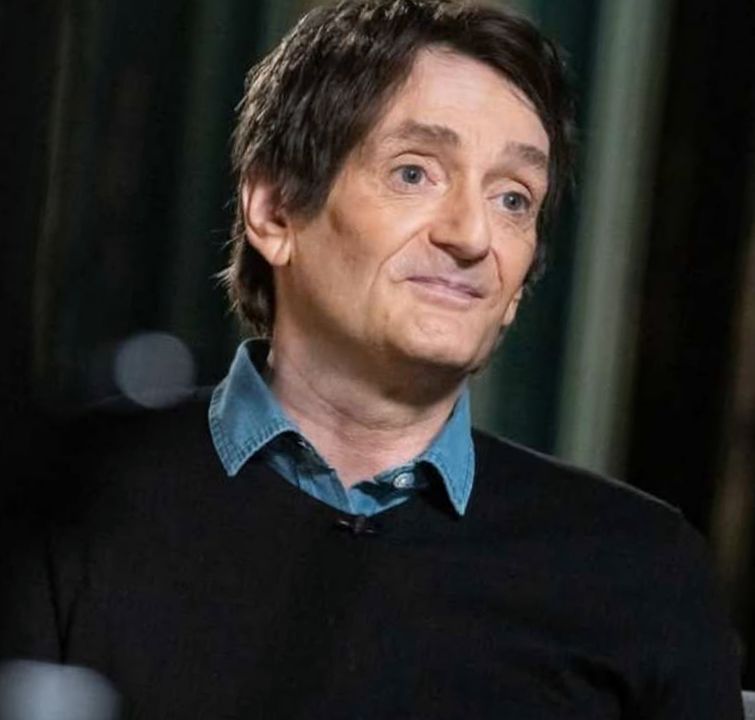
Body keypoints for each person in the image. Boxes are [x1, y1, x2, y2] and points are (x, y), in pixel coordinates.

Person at [0, 0, 743, 717]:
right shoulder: (70, 502)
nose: (472, 236)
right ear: (274, 211)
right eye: (414, 173)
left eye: (514, 199)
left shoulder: (637, 566)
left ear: (519, 286)